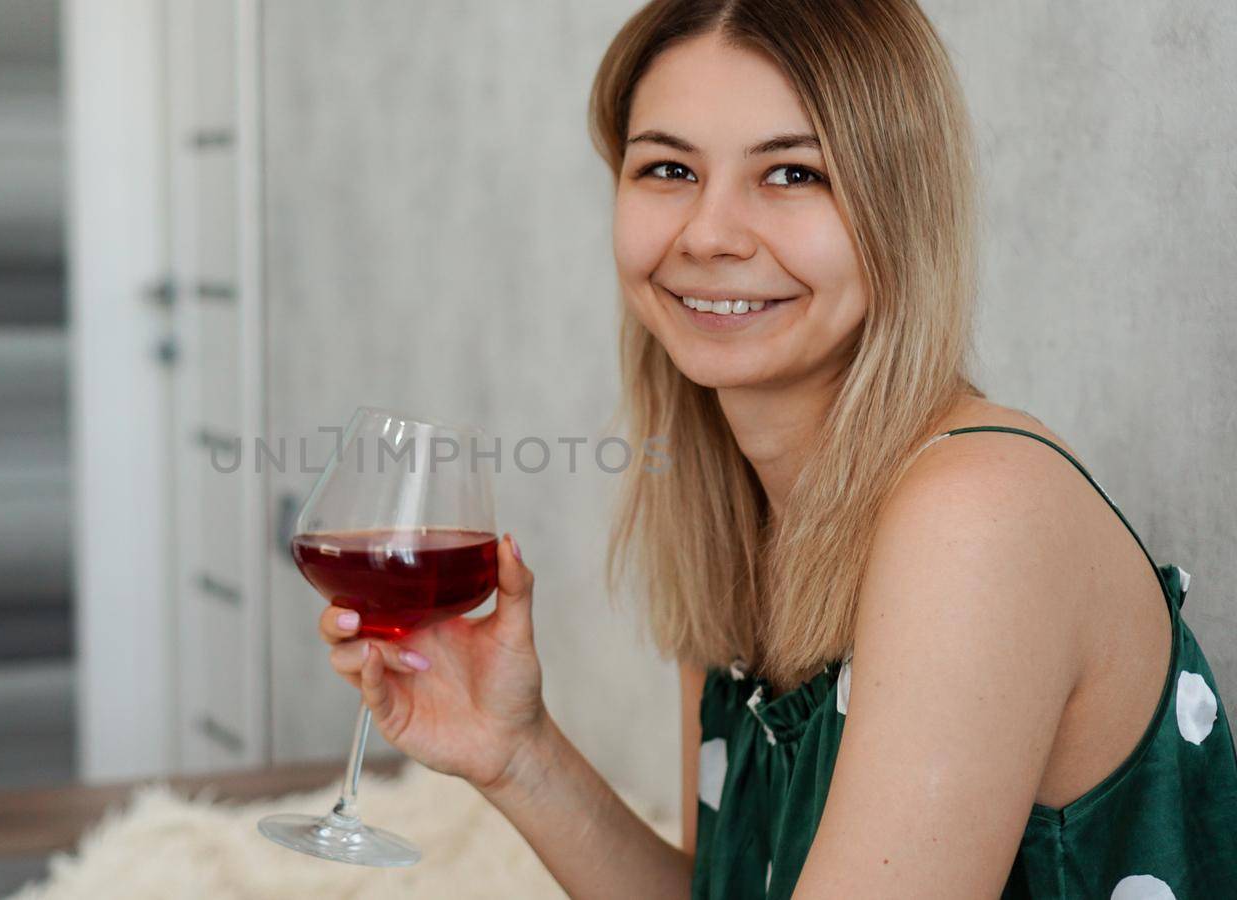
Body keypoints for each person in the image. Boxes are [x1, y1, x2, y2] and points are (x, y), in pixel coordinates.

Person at [315, 0, 1237, 896]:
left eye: (793, 174)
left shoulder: (975, 517)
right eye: (668, 170)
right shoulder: (742, 522)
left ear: (900, 209)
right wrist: (518, 755)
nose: (709, 235)